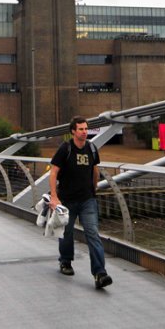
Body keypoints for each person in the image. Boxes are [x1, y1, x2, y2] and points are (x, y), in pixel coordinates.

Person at [49, 116, 113, 289]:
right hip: (67, 200)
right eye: (81, 129)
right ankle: (66, 262)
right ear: (73, 131)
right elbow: (54, 172)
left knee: (93, 233)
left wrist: (94, 189)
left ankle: (100, 273)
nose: (85, 132)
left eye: (86, 129)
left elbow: (95, 170)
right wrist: (54, 197)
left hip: (87, 200)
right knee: (67, 233)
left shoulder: (91, 148)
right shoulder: (65, 149)